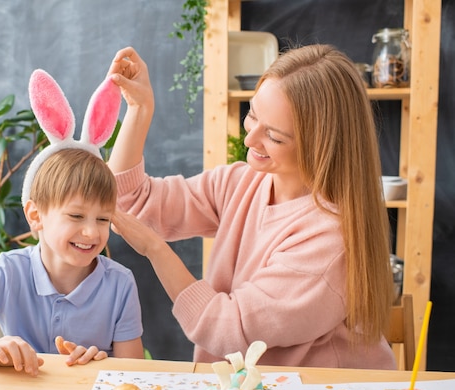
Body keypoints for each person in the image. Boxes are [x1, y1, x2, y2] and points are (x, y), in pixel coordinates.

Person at [106, 45, 396, 369]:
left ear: (319, 146)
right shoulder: (242, 182)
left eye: (273, 135)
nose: (249, 140)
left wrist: (155, 249)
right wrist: (139, 109)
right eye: (252, 115)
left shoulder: (329, 240)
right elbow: (129, 202)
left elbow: (226, 330)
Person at [0, 148, 145, 376]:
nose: (91, 232)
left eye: (103, 219)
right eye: (76, 216)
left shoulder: (120, 283)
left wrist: (99, 365)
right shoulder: (7, 271)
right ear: (35, 216)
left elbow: (135, 375)